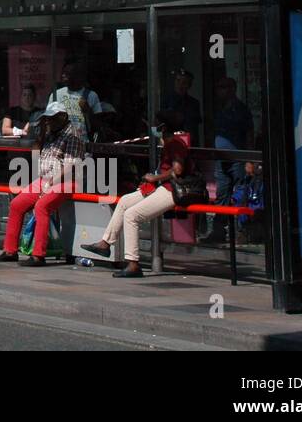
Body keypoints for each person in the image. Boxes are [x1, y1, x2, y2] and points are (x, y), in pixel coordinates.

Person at [82, 126, 195, 277]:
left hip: (172, 191)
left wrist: (155, 178)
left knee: (131, 215)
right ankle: (105, 243)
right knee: (124, 201)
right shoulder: (168, 145)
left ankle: (133, 263)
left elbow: (178, 170)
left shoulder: (175, 144)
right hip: (161, 187)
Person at [0, 101, 88, 266]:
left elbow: (70, 165)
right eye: (47, 119)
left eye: (51, 119)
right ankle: (10, 250)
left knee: (41, 207)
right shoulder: (51, 133)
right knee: (16, 204)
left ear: (62, 117)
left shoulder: (73, 135)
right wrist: (42, 133)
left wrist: (51, 182)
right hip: (45, 179)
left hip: (65, 181)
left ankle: (38, 254)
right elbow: (36, 153)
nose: (48, 121)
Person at [205, 76, 253, 241]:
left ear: (232, 89)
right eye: (219, 87)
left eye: (224, 87)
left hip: (238, 157)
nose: (220, 91)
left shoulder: (241, 109)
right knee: (222, 193)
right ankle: (218, 230)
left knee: (240, 193)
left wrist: (249, 158)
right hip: (221, 157)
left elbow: (249, 134)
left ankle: (241, 231)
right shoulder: (218, 109)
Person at [47, 60, 101, 130]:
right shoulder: (56, 95)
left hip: (83, 140)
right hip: (60, 140)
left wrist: (88, 111)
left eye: (68, 73)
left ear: (78, 75)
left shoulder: (91, 96)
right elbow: (48, 122)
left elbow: (99, 125)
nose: (63, 76)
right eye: (63, 73)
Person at [160, 69, 202, 142]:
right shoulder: (164, 101)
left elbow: (193, 128)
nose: (180, 85)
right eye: (178, 80)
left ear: (189, 85)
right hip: (165, 141)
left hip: (185, 142)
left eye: (184, 82)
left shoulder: (193, 103)